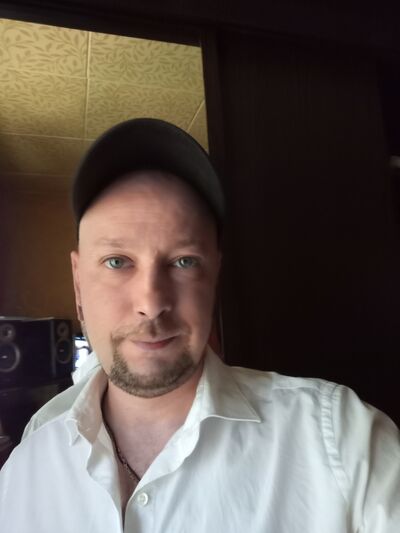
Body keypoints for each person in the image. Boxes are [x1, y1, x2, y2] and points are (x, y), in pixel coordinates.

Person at [0, 118, 399, 532]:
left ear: (214, 279)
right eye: (117, 262)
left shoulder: (341, 441)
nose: (151, 303)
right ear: (79, 284)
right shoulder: (24, 471)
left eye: (184, 262)